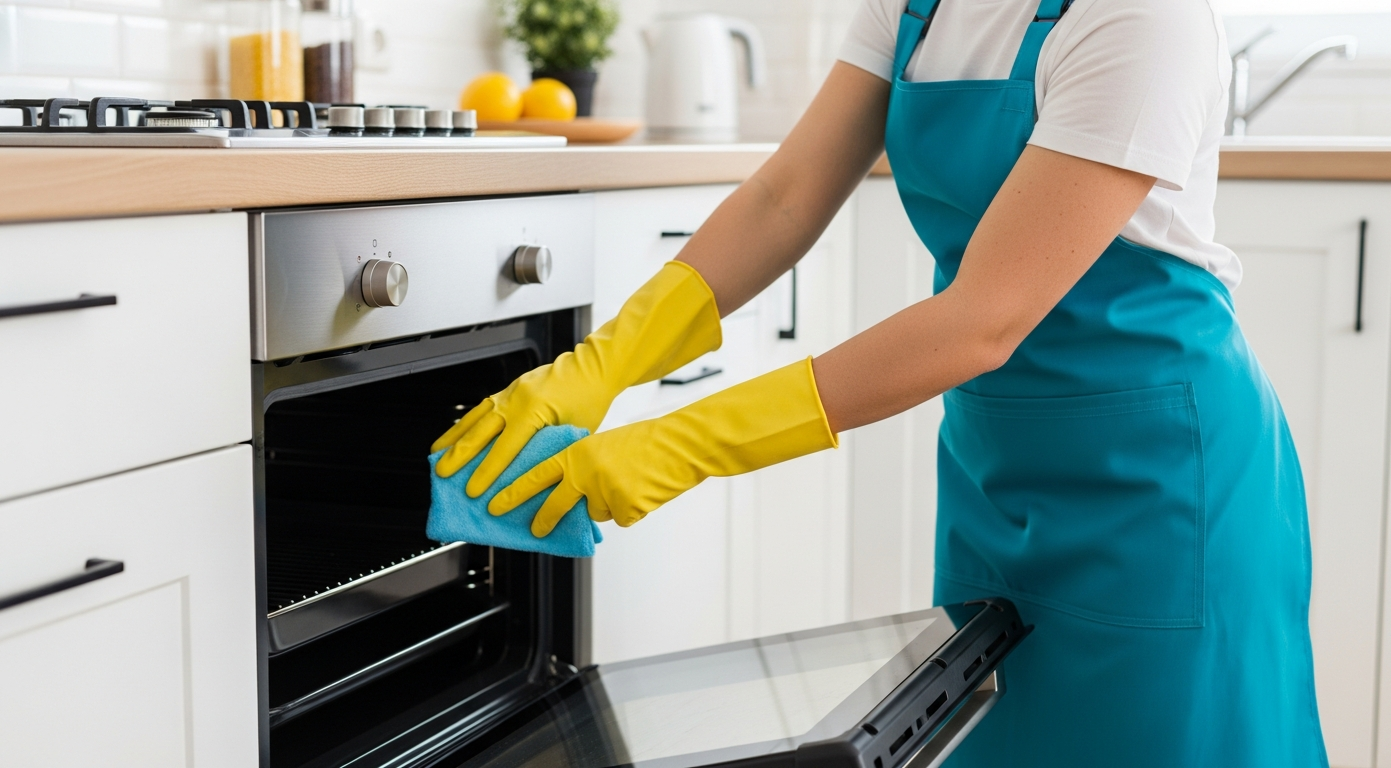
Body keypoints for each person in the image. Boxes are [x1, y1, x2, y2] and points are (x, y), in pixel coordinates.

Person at [431, 0, 1329, 764]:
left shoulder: (1142, 15)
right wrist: (600, 367)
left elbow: (985, 318)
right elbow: (786, 196)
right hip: (996, 482)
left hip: (1164, 501)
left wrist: (682, 444)